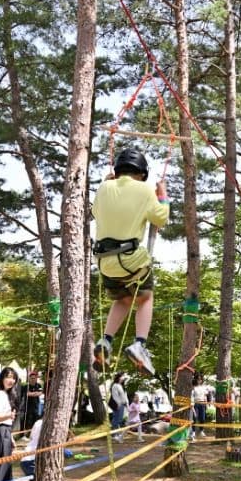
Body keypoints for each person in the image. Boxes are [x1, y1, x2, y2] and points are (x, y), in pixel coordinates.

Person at [91, 148, 170, 376]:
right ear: (142, 173)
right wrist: (162, 195)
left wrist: (105, 185)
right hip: (131, 259)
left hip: (105, 263)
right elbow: (161, 218)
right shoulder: (145, 191)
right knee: (145, 298)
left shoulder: (104, 188)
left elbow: (96, 212)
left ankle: (106, 340)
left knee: (123, 299)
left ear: (117, 171)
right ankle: (139, 344)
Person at [19, 417, 43, 481]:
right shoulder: (47, 423)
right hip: (32, 458)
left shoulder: (37, 422)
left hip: (26, 457)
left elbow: (32, 437)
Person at [109, 373, 129, 443]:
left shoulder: (121, 386)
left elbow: (124, 396)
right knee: (116, 419)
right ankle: (114, 435)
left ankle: (116, 434)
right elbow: (115, 396)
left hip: (122, 405)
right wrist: (118, 404)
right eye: (122, 376)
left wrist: (126, 404)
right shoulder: (115, 385)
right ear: (118, 377)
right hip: (118, 405)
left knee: (119, 419)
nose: (123, 378)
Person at [191, 374, 209, 438]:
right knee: (195, 418)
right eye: (198, 379)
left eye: (200, 379)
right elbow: (192, 397)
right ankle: (193, 432)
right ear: (196, 380)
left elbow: (205, 396)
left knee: (203, 418)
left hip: (202, 404)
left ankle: (201, 431)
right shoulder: (193, 387)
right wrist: (192, 406)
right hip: (195, 404)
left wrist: (206, 404)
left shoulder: (204, 387)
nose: (199, 380)